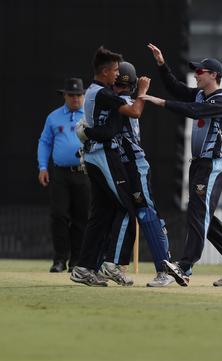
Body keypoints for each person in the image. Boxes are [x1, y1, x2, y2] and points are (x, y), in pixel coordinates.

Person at [140, 43, 222, 287]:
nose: (196, 75)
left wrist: (159, 102)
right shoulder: (201, 94)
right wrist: (161, 64)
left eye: (200, 72)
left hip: (212, 166)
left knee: (198, 217)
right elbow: (176, 88)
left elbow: (192, 110)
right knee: (203, 217)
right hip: (200, 165)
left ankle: (184, 267)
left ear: (214, 76)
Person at [70, 46, 171, 287]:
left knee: (103, 212)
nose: (117, 76)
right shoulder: (103, 94)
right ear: (105, 72)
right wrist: (143, 92)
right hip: (103, 155)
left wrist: (88, 132)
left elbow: (108, 125)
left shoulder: (101, 93)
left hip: (95, 155)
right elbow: (135, 111)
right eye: (115, 71)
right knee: (128, 206)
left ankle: (85, 267)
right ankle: (112, 264)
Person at [105, 61, 175, 287]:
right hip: (123, 166)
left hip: (135, 166)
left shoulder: (123, 102)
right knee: (123, 212)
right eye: (117, 86)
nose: (118, 89)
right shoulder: (124, 100)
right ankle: (110, 263)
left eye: (120, 86)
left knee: (146, 214)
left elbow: (134, 111)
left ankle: (165, 270)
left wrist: (142, 94)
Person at [37, 78, 90, 273]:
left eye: (79, 95)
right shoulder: (54, 117)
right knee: (58, 215)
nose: (76, 99)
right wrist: (43, 167)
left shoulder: (90, 115)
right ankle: (60, 259)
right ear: (65, 96)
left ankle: (77, 260)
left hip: (84, 172)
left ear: (83, 96)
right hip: (60, 173)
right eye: (72, 95)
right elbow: (44, 142)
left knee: (81, 218)